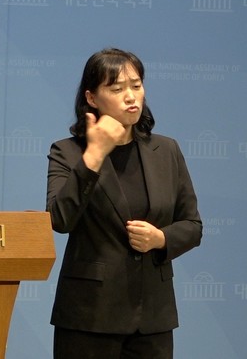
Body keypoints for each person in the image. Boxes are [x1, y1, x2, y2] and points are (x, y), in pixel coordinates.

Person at [46, 48, 202, 358]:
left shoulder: (166, 150)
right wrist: (94, 155)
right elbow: (59, 219)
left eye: (136, 85)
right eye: (117, 89)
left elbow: (192, 226)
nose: (131, 96)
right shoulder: (68, 152)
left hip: (153, 319)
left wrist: (161, 238)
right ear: (92, 98)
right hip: (89, 315)